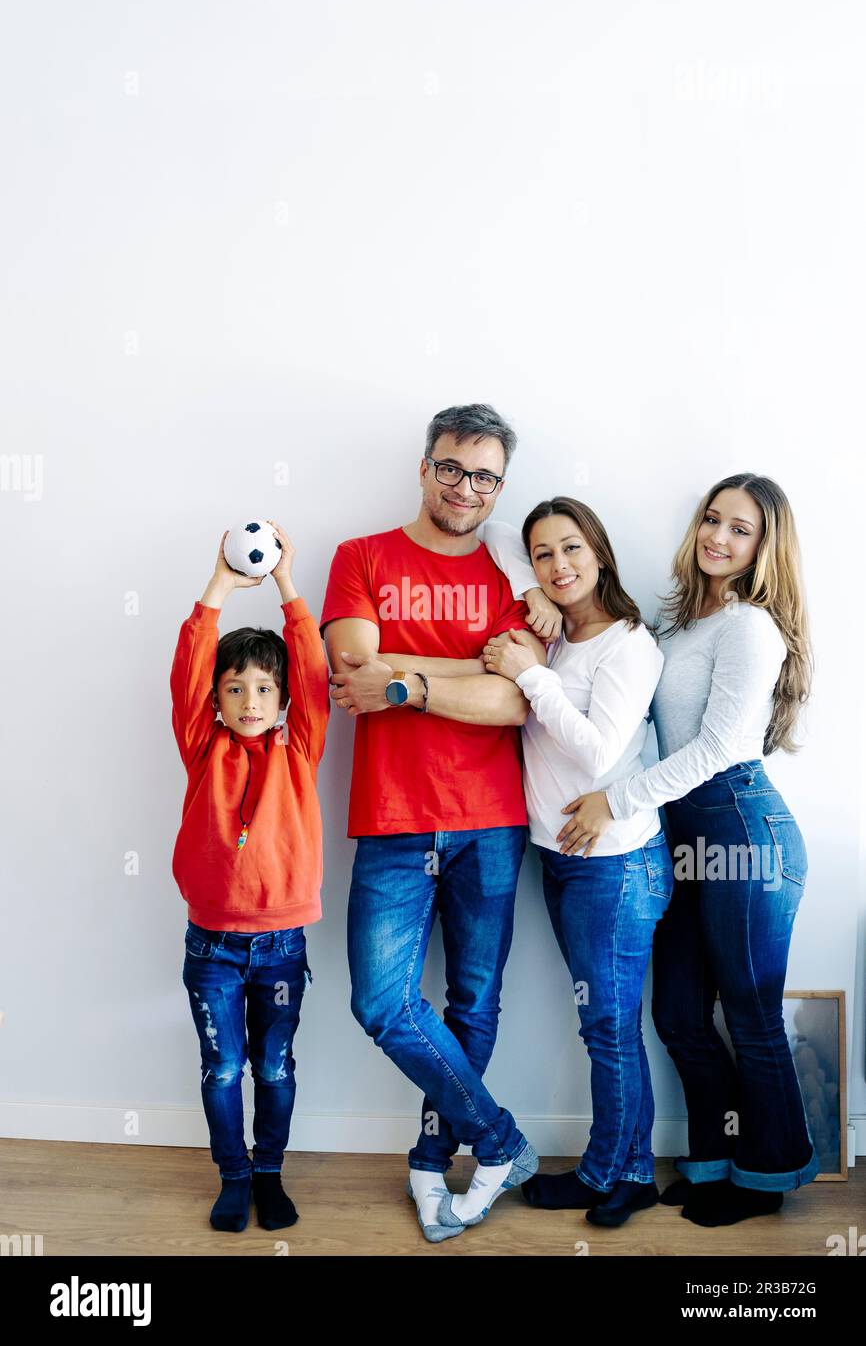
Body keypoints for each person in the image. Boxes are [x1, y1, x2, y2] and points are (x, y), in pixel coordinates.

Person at [558, 475, 818, 1226]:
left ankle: (766, 1178)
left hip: (744, 832)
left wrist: (616, 801)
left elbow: (714, 749)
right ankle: (713, 1159)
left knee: (750, 1012)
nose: (719, 538)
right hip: (682, 838)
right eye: (712, 520)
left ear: (765, 549)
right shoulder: (677, 630)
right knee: (676, 1012)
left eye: (741, 530)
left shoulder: (750, 628)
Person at [320, 404, 548, 1242]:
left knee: (474, 1003)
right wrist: (459, 673)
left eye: (485, 475)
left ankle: (432, 1160)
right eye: (452, 467)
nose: (466, 487)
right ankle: (500, 1139)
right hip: (392, 819)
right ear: (425, 466)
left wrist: (407, 684)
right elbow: (352, 665)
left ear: (499, 488)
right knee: (381, 1002)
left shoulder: (513, 582)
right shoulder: (362, 556)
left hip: (492, 820)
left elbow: (513, 700)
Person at [479, 501, 674, 1227]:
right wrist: (529, 592)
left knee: (609, 1029)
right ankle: (632, 1174)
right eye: (543, 555)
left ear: (600, 551)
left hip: (615, 867)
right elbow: (497, 530)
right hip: (564, 858)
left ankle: (602, 1175)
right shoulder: (560, 628)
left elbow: (597, 750)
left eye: (571, 549)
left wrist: (532, 675)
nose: (558, 566)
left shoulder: (629, 645)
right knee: (612, 1025)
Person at [170, 522, 329, 1232]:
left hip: (283, 945)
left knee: (275, 1069)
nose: (251, 701)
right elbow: (189, 668)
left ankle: (269, 1172)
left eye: (265, 688)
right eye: (235, 689)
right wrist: (221, 587)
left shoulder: (299, 749)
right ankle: (233, 1175)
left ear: (282, 698)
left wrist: (290, 586)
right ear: (217, 701)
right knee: (224, 1071)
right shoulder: (204, 747)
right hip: (212, 946)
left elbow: (317, 675)